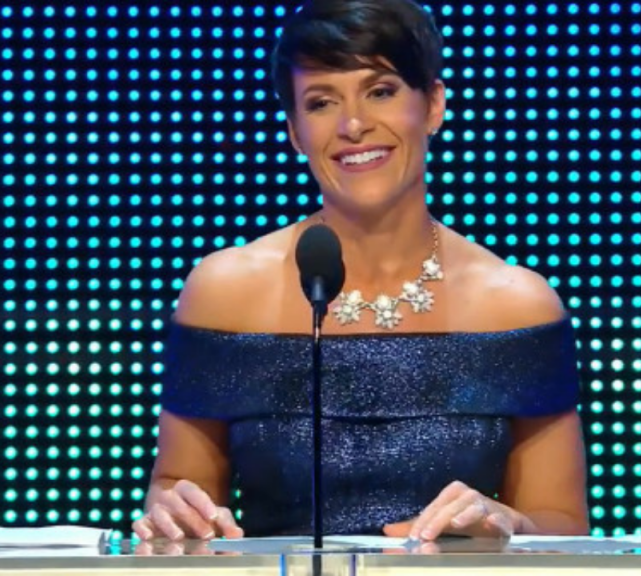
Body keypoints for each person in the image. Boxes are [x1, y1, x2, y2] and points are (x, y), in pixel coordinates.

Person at [132, 0, 589, 542]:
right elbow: (177, 490)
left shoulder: (517, 304)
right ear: (295, 132)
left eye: (381, 91)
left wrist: (506, 526)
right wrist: (172, 512)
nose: (353, 125)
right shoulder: (223, 291)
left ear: (434, 105)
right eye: (322, 102)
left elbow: (563, 527)